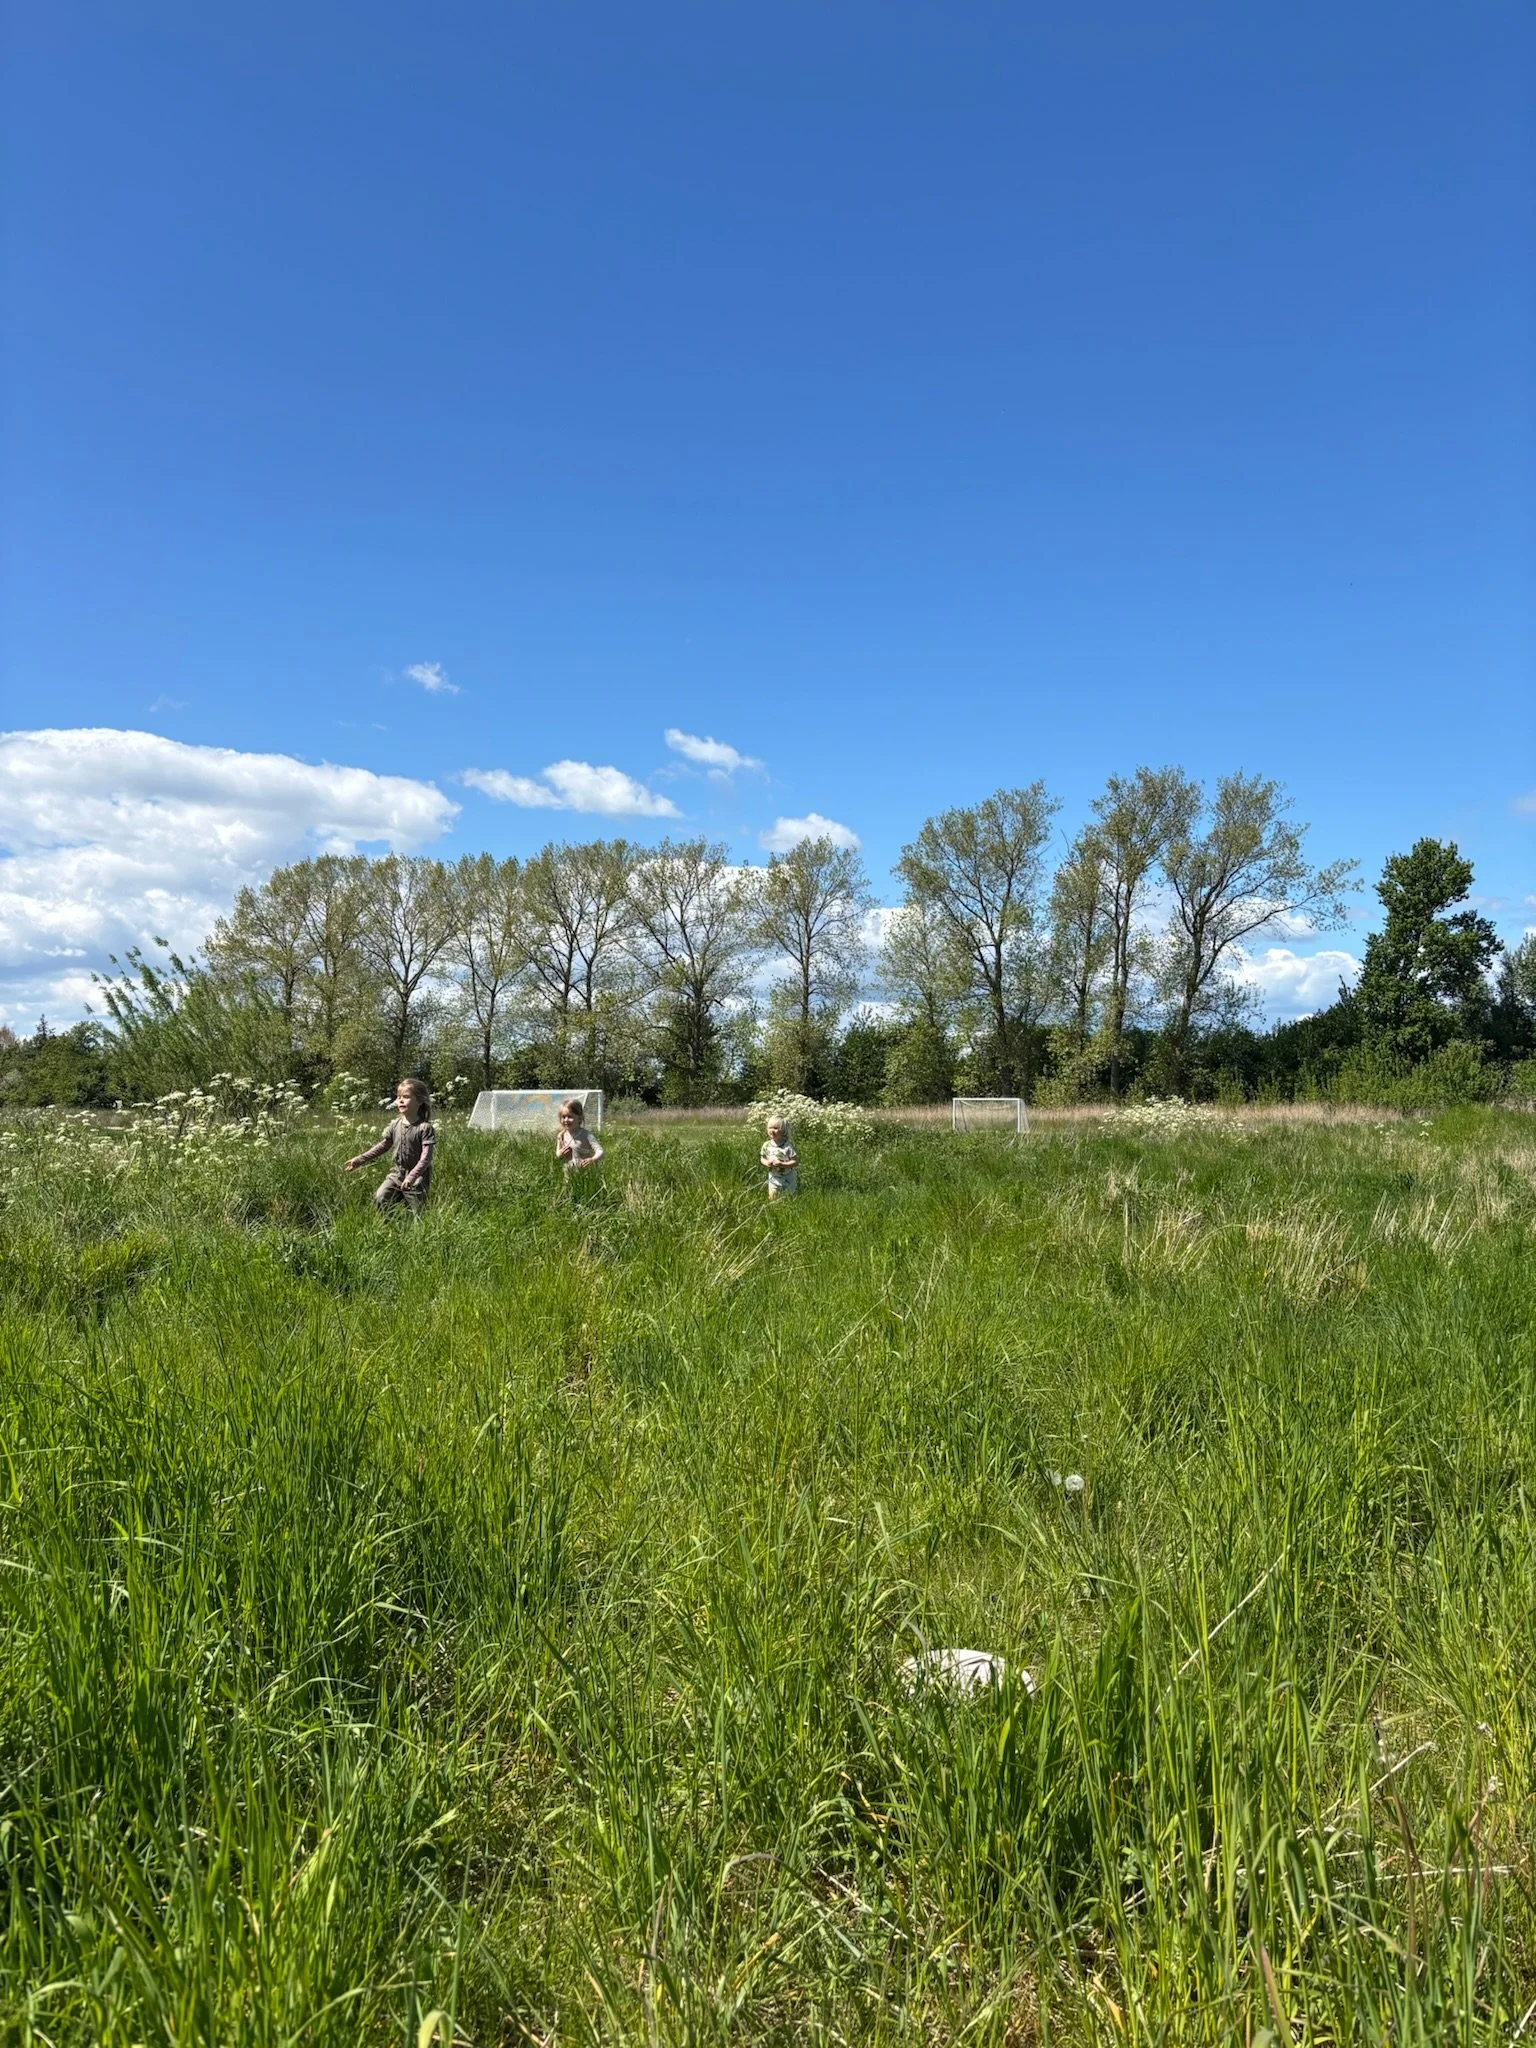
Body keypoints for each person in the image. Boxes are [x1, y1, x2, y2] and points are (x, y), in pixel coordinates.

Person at [346, 1078, 436, 1211]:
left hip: (418, 1177)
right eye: (398, 1097)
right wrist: (360, 1159)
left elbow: (426, 1158)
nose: (400, 1100)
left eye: (406, 1097)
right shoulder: (395, 1125)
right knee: (380, 1197)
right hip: (397, 1174)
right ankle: (389, 1227)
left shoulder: (425, 1128)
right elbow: (383, 1146)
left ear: (420, 1101)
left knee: (416, 1212)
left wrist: (412, 1177)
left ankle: (415, 1231)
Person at [556, 1096, 603, 1172]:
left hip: (585, 1174)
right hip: (568, 1173)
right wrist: (560, 1154)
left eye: (570, 1117)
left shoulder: (586, 1135)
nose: (566, 1120)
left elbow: (600, 1151)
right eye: (563, 1117)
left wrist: (593, 1159)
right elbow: (557, 1153)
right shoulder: (561, 1135)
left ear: (580, 1118)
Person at [760, 1115, 798, 1200]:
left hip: (788, 1177)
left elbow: (795, 1162)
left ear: (783, 1131)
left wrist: (782, 1164)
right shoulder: (766, 1145)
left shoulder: (787, 1146)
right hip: (774, 1176)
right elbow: (762, 1158)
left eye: (776, 1128)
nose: (772, 1131)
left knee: (789, 1198)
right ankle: (773, 1210)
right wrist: (767, 1163)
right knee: (772, 1198)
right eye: (770, 1128)